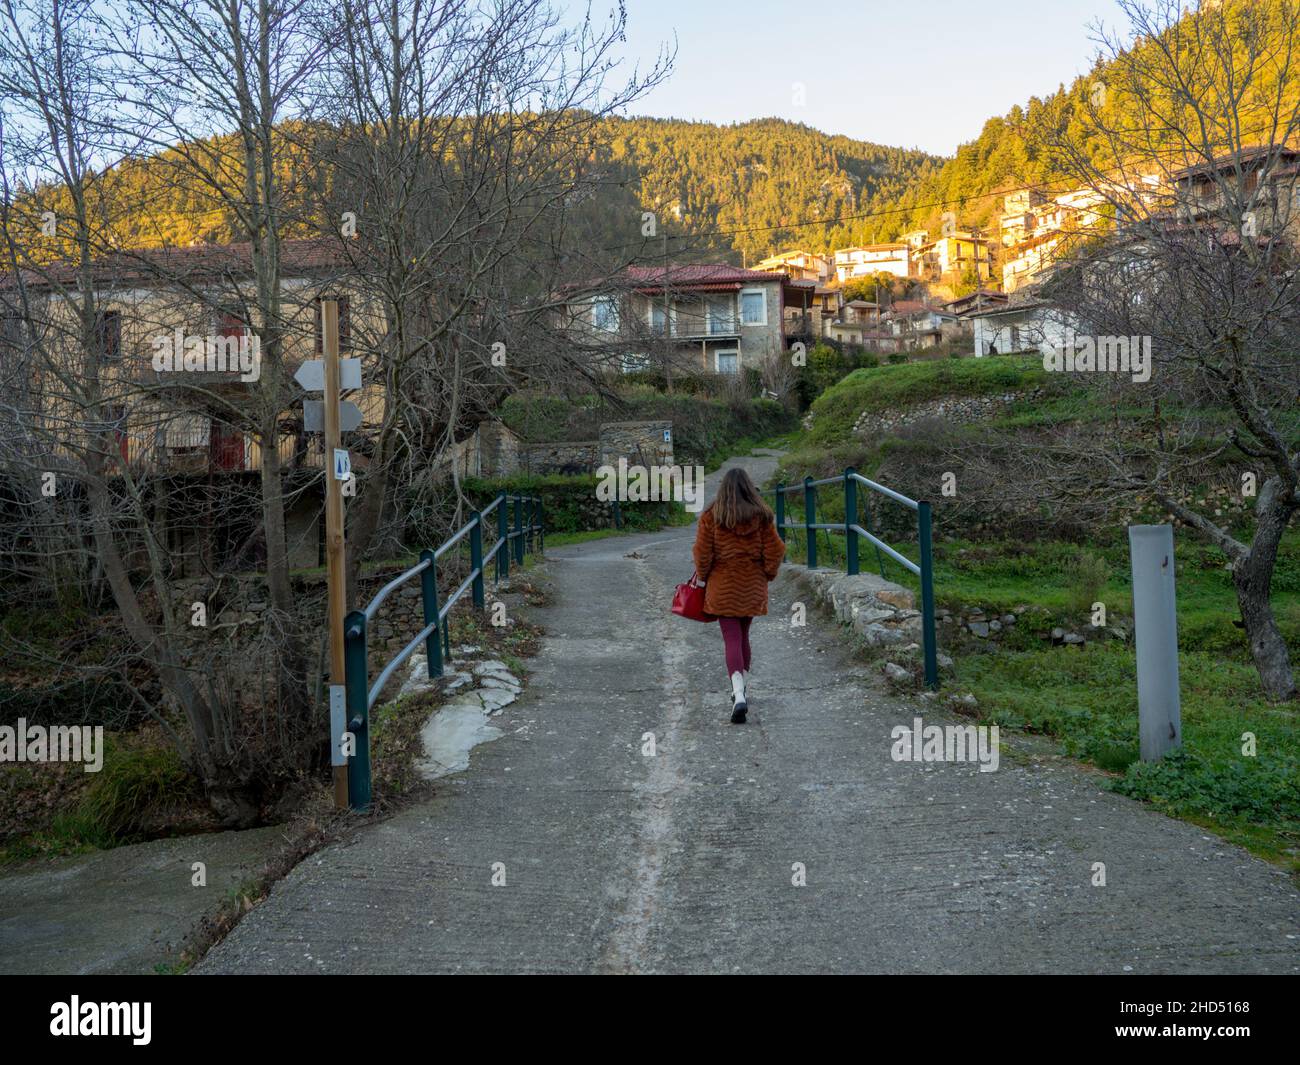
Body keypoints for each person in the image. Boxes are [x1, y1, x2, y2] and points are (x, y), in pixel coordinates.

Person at [692, 467, 786, 723]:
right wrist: (767, 573)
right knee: (743, 635)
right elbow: (776, 550)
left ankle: (738, 694)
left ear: (723, 488)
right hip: (752, 584)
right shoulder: (762, 515)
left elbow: (702, 553)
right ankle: (741, 688)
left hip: (722, 586)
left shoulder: (712, 515)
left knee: (731, 638)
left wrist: (703, 577)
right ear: (748, 487)